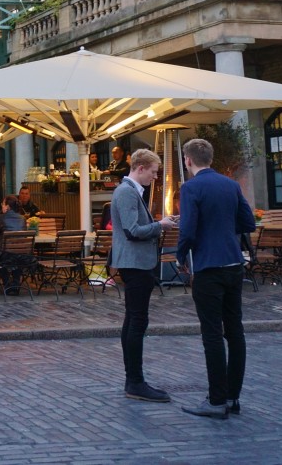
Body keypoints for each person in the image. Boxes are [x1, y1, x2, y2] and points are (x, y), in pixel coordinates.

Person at [176, 138, 255, 419]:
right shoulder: (231, 185)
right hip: (234, 263)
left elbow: (187, 229)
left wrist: (180, 255)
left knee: (212, 334)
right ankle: (233, 397)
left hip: (208, 268)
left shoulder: (191, 187)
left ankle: (216, 400)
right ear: (210, 157)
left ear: (188, 160)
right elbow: (248, 223)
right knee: (235, 331)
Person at [110, 148, 177, 403]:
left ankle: (134, 380)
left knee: (133, 319)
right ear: (140, 168)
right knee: (137, 321)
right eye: (153, 172)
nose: (155, 177)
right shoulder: (127, 192)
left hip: (136, 263)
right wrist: (160, 226)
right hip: (136, 264)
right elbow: (133, 230)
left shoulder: (130, 191)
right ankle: (135, 381)